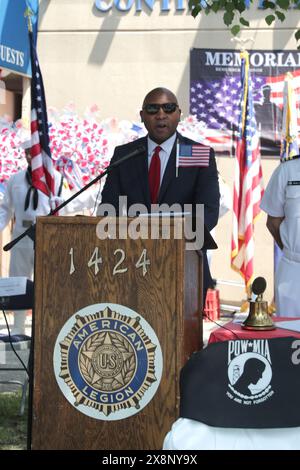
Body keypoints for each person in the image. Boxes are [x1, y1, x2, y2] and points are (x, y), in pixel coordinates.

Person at [98, 87, 220, 302]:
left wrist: (168, 240)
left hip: (184, 263)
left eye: (168, 108)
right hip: (132, 264)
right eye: (153, 109)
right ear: (142, 116)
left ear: (178, 114)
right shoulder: (124, 155)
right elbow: (108, 209)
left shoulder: (198, 154)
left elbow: (208, 212)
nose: (160, 115)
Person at [0, 142, 99, 334]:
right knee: (19, 282)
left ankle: (44, 329)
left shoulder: (55, 178)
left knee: (47, 281)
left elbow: (66, 205)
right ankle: (19, 330)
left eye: (34, 152)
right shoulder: (16, 180)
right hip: (21, 234)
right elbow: (5, 209)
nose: (30, 156)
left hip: (46, 236)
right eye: (27, 153)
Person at [260, 155, 300, 316]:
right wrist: (291, 251)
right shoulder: (287, 170)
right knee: (289, 332)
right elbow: (273, 222)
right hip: (293, 268)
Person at [255, 84, 282, 157]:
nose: (266, 94)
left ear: (270, 93)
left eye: (268, 92)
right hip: (262, 137)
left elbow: (280, 122)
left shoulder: (274, 107)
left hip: (272, 137)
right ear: (262, 93)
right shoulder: (258, 106)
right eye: (265, 92)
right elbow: (256, 124)